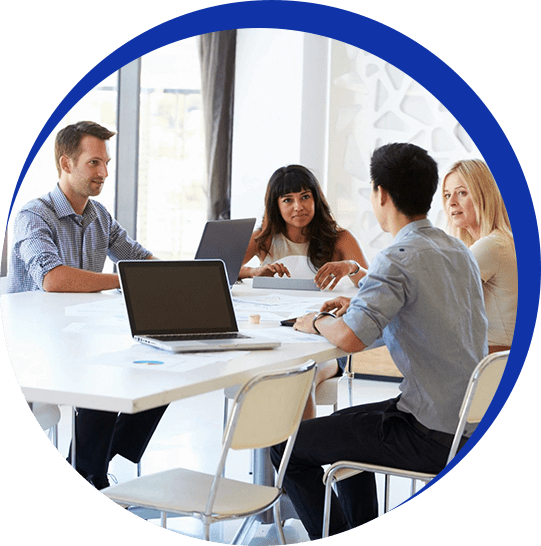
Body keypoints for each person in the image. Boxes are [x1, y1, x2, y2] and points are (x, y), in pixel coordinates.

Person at [270, 143, 488, 539]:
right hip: (469, 422)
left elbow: (351, 338)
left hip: (428, 433)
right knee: (345, 434)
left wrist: (316, 320)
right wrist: (357, 299)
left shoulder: (399, 255)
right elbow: (421, 310)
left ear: (381, 194)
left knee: (286, 449)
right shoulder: (457, 250)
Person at [7, 121, 166, 489]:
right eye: (94, 163)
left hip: (81, 339)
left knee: (161, 367)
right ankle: (87, 471)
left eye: (105, 163)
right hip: (35, 346)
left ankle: (88, 468)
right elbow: (54, 279)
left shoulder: (99, 216)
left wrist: (179, 278)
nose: (104, 173)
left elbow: (138, 258)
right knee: (106, 376)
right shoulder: (35, 215)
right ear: (66, 163)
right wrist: (128, 281)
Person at [239, 164, 369, 419]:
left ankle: (299, 455)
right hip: (276, 336)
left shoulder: (340, 238)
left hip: (326, 340)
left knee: (301, 377)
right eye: (288, 199)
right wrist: (254, 272)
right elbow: (225, 268)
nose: (298, 206)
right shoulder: (263, 238)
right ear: (275, 205)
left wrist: (351, 267)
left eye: (305, 197)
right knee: (268, 376)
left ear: (316, 199)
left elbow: (371, 285)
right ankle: (281, 455)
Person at [442, 159, 517, 353]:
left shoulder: (491, 246)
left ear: (484, 195)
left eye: (462, 193)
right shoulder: (500, 241)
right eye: (447, 195)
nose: (451, 202)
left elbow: (434, 290)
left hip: (494, 361)